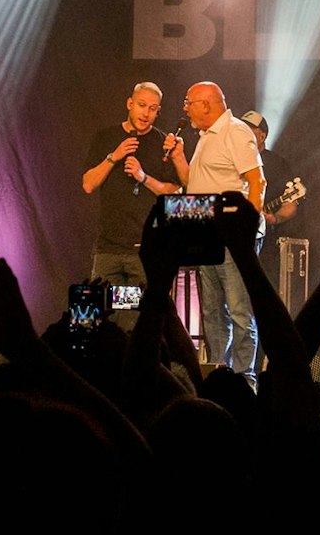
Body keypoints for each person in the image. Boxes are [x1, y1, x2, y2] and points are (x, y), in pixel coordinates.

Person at [166, 81, 264, 379]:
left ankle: (244, 379)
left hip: (234, 237)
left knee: (238, 310)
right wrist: (179, 157)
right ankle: (218, 374)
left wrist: (246, 229)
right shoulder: (206, 137)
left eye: (188, 102)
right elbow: (193, 184)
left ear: (206, 104)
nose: (185, 108)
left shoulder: (234, 131)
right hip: (206, 236)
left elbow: (257, 181)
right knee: (211, 311)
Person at [80, 82, 181, 284]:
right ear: (129, 103)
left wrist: (143, 177)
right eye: (141, 105)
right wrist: (114, 157)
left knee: (140, 312)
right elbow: (88, 185)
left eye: (152, 109)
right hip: (108, 247)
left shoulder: (164, 144)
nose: (146, 113)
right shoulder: (106, 137)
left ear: (158, 112)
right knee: (107, 310)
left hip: (146, 247)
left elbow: (173, 191)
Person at [241, 109, 305, 301]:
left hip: (265, 243)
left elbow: (291, 203)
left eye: (250, 130)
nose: (244, 133)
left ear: (263, 135)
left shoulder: (277, 164)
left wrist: (275, 218)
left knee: (261, 291)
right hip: (236, 238)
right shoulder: (235, 158)